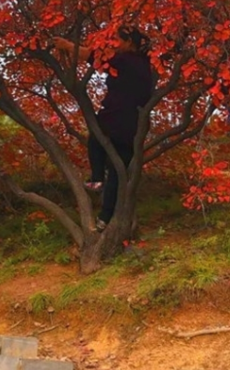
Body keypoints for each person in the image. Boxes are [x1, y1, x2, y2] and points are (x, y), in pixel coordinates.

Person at [56, 26, 156, 231]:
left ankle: (96, 179)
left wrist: (67, 45)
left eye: (118, 40)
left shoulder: (126, 60)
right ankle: (105, 218)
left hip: (117, 117)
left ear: (129, 43)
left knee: (96, 140)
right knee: (118, 173)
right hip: (135, 125)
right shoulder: (146, 65)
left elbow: (94, 57)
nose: (114, 44)